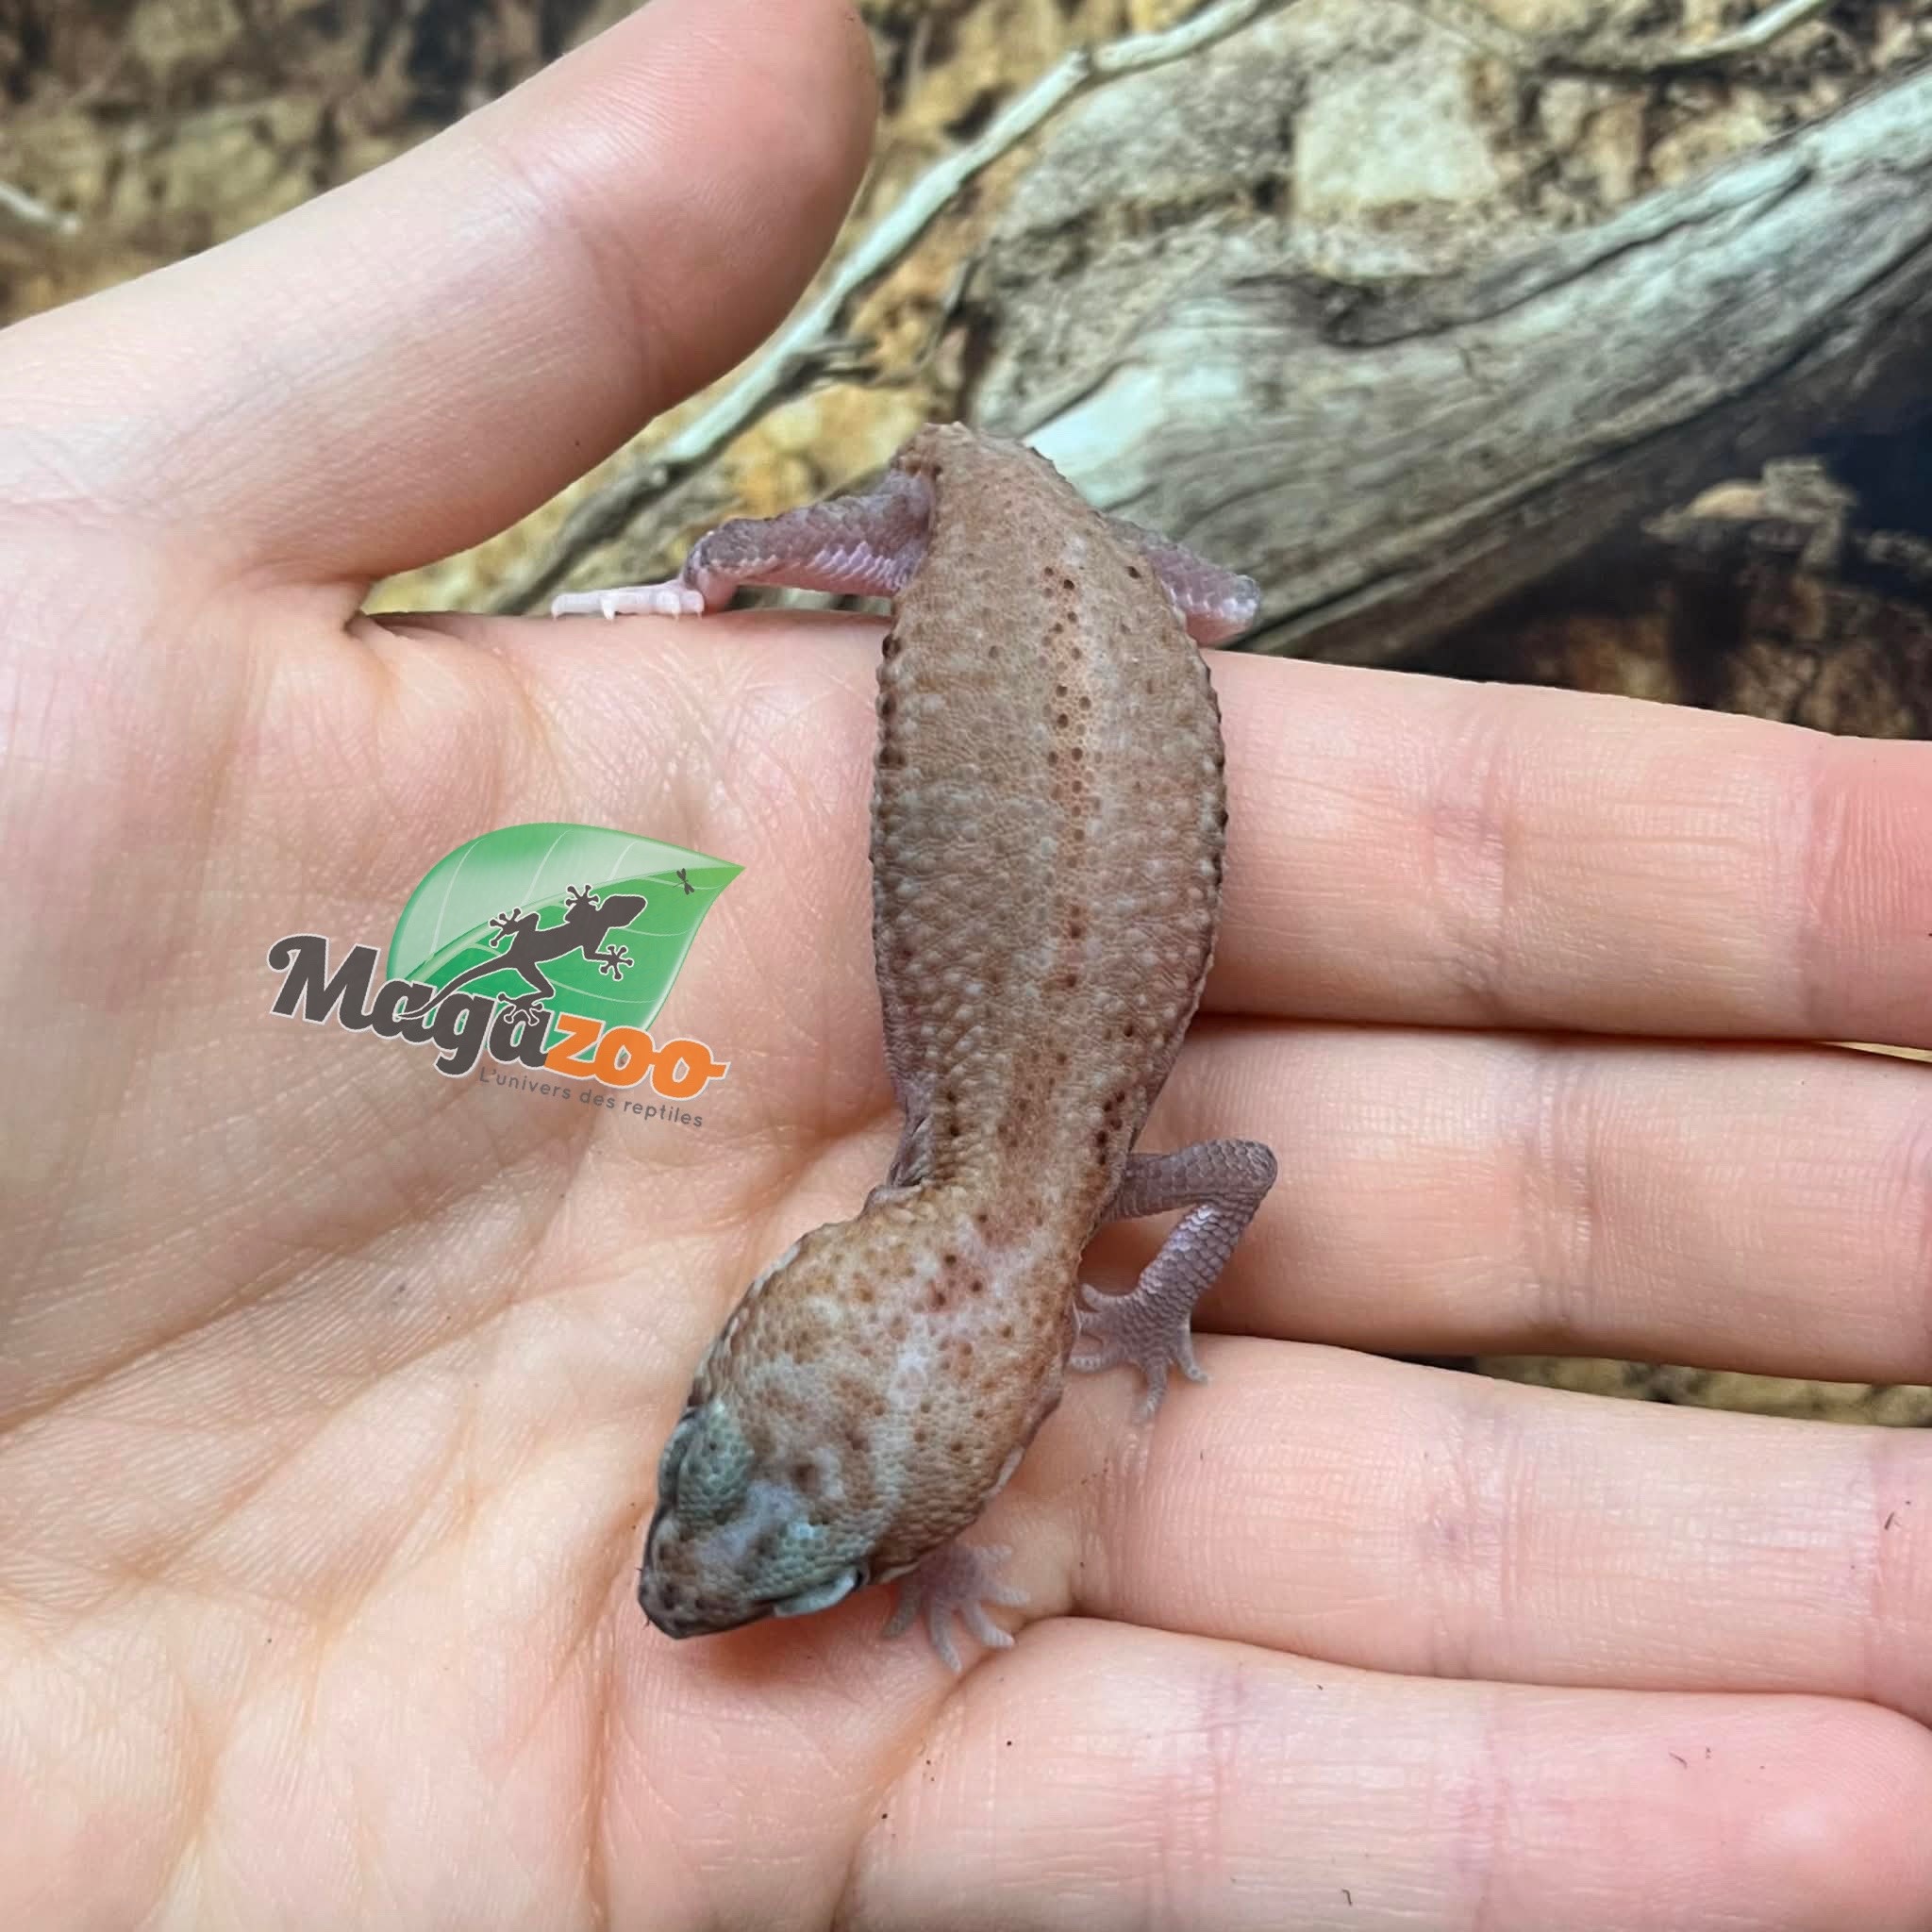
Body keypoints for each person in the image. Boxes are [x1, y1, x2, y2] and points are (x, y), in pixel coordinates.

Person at [4, 0, 1930, 1924]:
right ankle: (721, 569)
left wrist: (1140, 1315)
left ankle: (760, 566)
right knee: (1201, 604)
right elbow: (1235, 1175)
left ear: (799, 1302)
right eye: (752, 1513)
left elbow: (1234, 1187)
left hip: (984, 558)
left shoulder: (1081, 1183)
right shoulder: (1055, 1169)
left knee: (1192, 597)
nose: (685, 1581)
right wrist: (1136, 1314)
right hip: (995, 545)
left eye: (764, 1518)